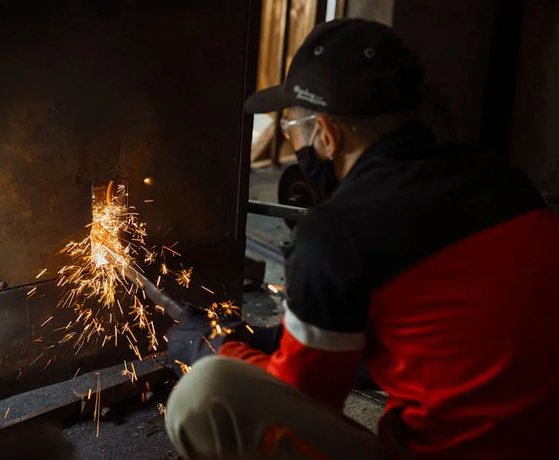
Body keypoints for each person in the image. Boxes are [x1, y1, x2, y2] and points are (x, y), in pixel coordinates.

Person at [165, 18, 559, 459]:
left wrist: (212, 349)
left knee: (205, 393)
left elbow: (300, 400)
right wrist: (268, 340)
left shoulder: (337, 233)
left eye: (293, 129)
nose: (297, 144)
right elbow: (428, 333)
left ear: (329, 133)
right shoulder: (505, 180)